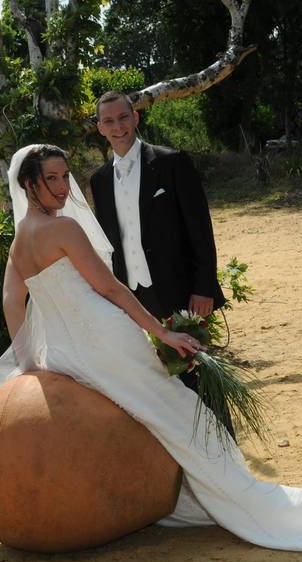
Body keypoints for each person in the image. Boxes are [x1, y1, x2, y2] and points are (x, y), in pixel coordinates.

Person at [0, 144, 302, 553]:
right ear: (28, 183)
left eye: (66, 176)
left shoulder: (18, 243)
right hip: (106, 343)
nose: (64, 187)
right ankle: (241, 500)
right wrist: (163, 333)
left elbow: (12, 302)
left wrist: (30, 363)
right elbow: (108, 287)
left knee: (153, 420)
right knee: (183, 416)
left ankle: (175, 496)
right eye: (52, 178)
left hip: (65, 356)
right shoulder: (63, 229)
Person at [89, 91, 234, 439]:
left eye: (123, 117)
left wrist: (203, 286)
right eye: (108, 121)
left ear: (135, 118)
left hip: (180, 287)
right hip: (132, 295)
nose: (118, 126)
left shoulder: (172, 162)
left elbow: (200, 228)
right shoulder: (98, 181)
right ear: (99, 128)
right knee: (152, 373)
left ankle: (224, 444)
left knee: (196, 370)